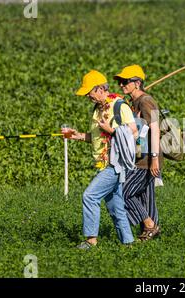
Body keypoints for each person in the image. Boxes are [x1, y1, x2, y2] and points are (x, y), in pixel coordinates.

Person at [62, 70, 138, 249]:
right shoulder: (97, 109)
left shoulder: (120, 106)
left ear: (101, 89)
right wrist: (78, 136)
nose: (88, 95)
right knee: (116, 207)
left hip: (114, 164)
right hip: (102, 164)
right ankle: (128, 244)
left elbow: (133, 131)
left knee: (90, 196)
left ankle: (90, 241)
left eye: (90, 91)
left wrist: (111, 130)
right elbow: (96, 137)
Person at [113, 65, 163, 241]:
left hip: (147, 158)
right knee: (146, 196)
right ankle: (152, 233)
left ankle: (149, 225)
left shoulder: (146, 101)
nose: (121, 85)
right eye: (120, 82)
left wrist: (155, 159)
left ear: (137, 83)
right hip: (140, 157)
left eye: (125, 81)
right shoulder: (134, 103)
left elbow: (155, 129)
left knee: (124, 192)